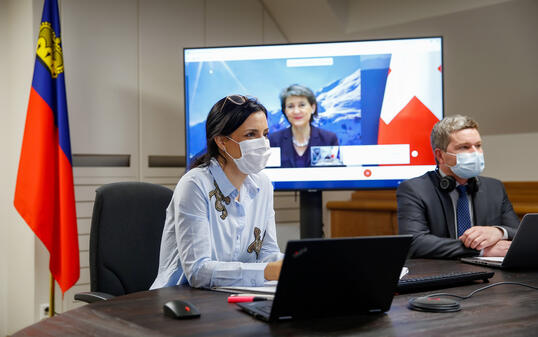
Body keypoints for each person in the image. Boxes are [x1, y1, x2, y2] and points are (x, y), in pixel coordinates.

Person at [151, 95, 284, 289]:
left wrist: (291, 266)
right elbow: (198, 271)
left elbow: (268, 253)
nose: (262, 142)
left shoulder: (263, 184)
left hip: (234, 295)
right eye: (250, 135)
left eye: (265, 134)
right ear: (222, 141)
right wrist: (266, 272)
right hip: (182, 299)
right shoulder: (195, 184)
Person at [397, 115, 519, 259]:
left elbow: (517, 231)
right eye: (464, 147)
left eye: (478, 145)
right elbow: (415, 243)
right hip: (441, 273)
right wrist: (480, 251)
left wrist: (498, 232)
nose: (475, 153)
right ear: (440, 156)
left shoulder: (494, 187)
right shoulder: (414, 189)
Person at [268, 84, 339, 167]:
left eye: (302, 105)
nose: (296, 111)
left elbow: (335, 173)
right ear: (285, 111)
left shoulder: (328, 139)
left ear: (313, 108)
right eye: (290, 106)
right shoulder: (274, 140)